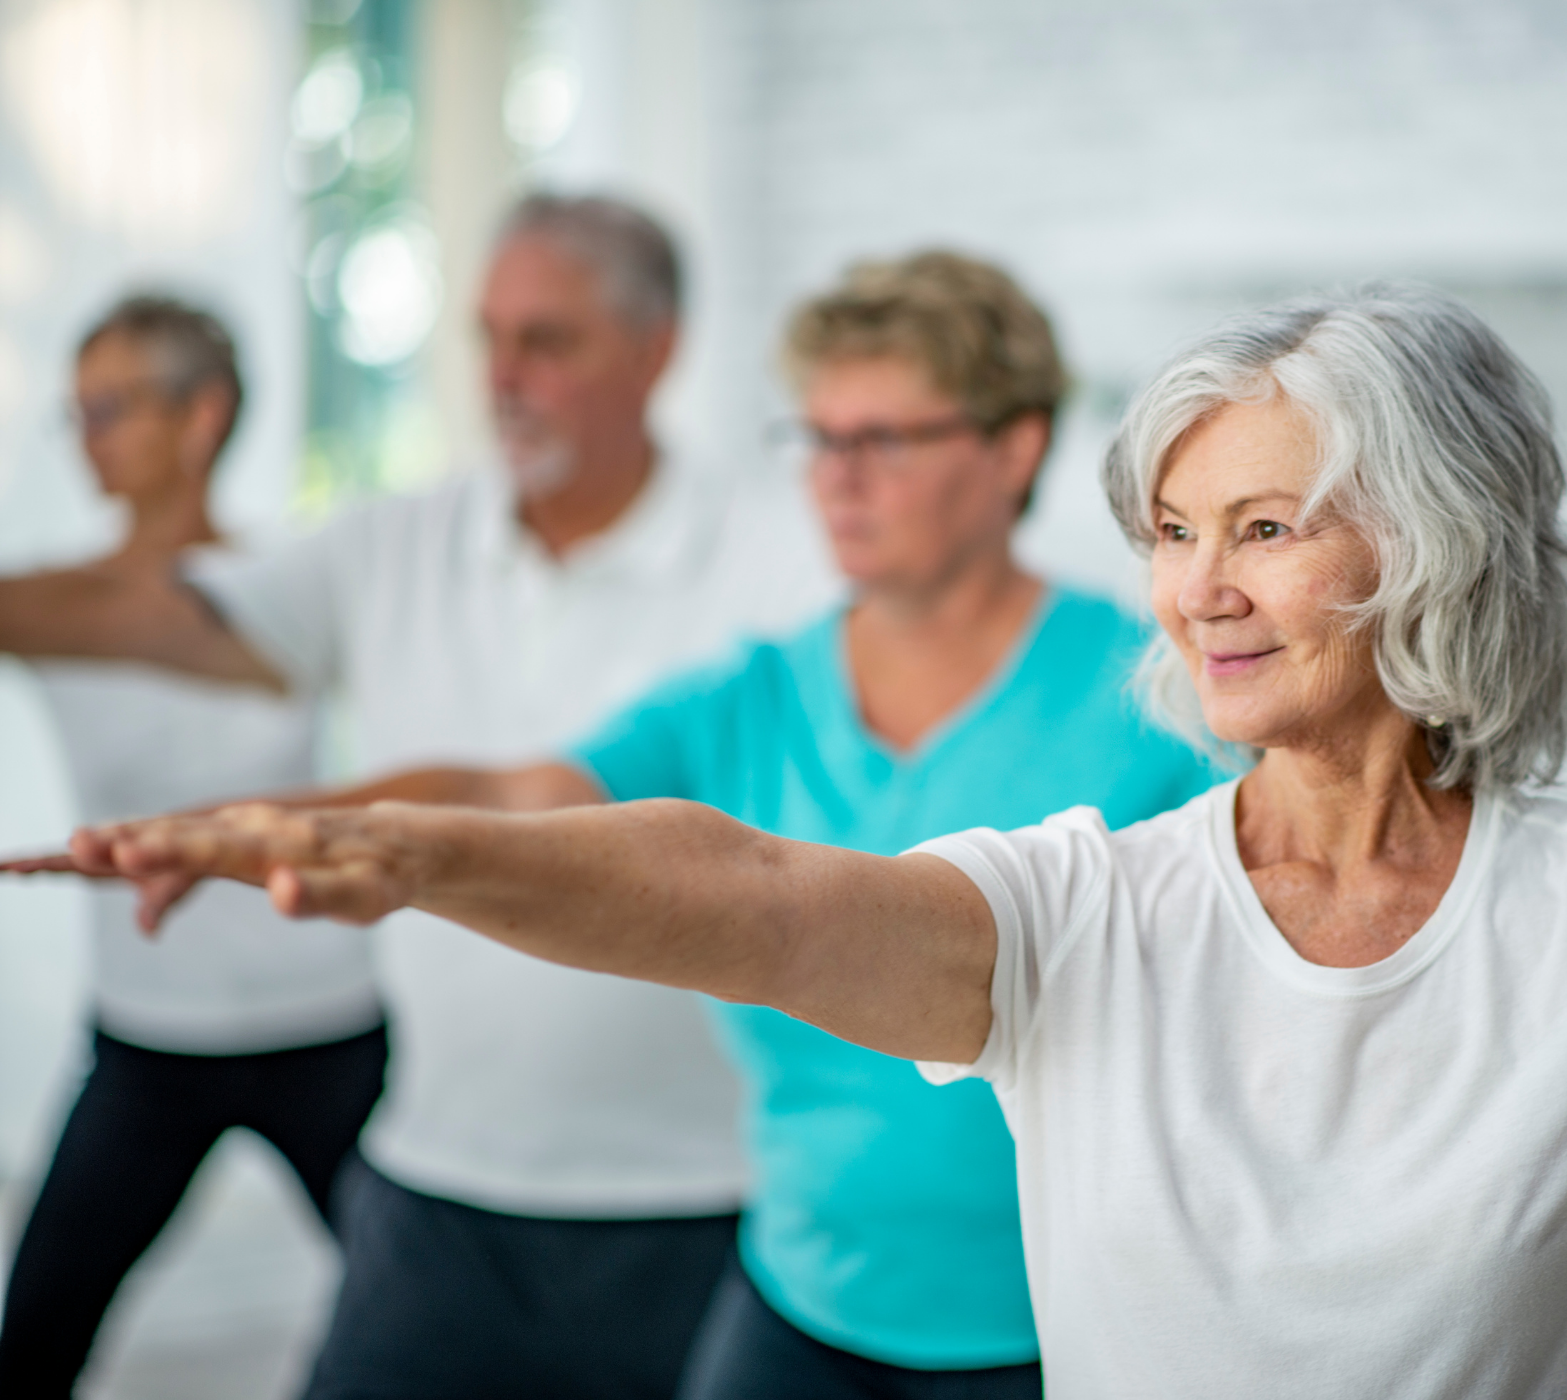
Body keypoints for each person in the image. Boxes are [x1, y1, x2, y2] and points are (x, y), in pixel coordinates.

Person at [31, 287, 1567, 1400]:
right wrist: (392, 844)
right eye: (1176, 537)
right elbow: (739, 884)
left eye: (1267, 528)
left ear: (1441, 548)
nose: (1199, 589)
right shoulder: (1086, 905)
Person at [28, 251, 1222, 1397]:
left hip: (1061, 1317)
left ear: (1015, 446)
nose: (838, 476)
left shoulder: (1160, 696)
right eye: (819, 436)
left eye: (886, 439)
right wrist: (295, 829)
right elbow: (518, 794)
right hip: (805, 1302)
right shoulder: (752, 693)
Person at [0, 197, 823, 1399]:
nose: (504, 376)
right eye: (489, 337)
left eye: (547, 341)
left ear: (654, 350)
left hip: (697, 1198)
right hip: (435, 1186)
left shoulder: (779, 553)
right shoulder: (393, 542)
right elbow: (162, 612)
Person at [0, 297, 385, 1398]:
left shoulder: (301, 581)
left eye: (110, 407)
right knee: (32, 1343)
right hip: (147, 1042)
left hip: (330, 1034)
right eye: (75, 411)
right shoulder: (56, 604)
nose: (87, 436)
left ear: (202, 414)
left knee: (423, 1317)